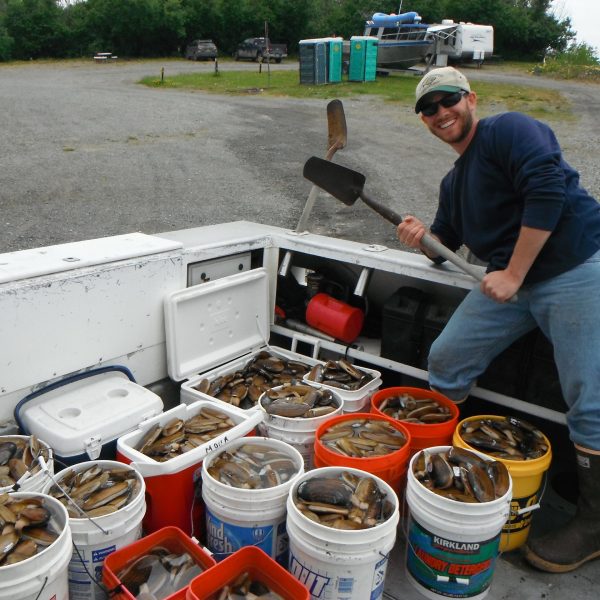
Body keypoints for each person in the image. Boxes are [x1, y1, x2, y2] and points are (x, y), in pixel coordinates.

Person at [397, 66, 600, 573]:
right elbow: (444, 246)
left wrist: (512, 273)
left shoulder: (509, 130)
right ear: (423, 122)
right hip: (513, 286)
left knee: (590, 398)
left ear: (471, 98)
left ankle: (593, 523)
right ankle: (449, 474)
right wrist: (421, 236)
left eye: (448, 100)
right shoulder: (454, 182)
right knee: (446, 360)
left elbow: (547, 191)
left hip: (575, 267)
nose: (440, 112)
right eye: (428, 108)